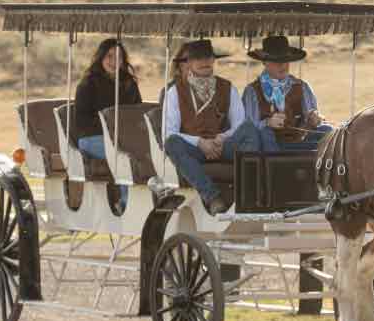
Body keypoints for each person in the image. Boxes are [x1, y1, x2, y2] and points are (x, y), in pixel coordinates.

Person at [162, 39, 263, 215]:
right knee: (172, 143)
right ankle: (212, 197)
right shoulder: (174, 92)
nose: (205, 62)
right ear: (188, 63)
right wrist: (200, 142)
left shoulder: (227, 87)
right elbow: (170, 131)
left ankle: (247, 192)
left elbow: (239, 123)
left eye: (208, 57)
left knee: (249, 129)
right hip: (194, 149)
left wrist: (222, 138)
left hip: (222, 145)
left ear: (213, 60)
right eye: (198, 58)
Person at [74, 38, 142, 212]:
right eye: (109, 56)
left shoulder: (128, 83)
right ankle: (125, 203)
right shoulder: (88, 84)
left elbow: (137, 112)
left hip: (122, 138)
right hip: (90, 139)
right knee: (122, 153)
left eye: (118, 57)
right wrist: (111, 129)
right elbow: (82, 121)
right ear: (101, 58)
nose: (114, 61)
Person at [241, 35, 333, 152]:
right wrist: (268, 122)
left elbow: (312, 117)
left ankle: (319, 167)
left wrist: (314, 119)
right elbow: (249, 128)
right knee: (265, 133)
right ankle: (274, 167)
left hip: (299, 142)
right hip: (268, 147)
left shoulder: (302, 87)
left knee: (327, 130)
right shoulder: (252, 91)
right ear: (265, 62)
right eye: (276, 61)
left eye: (285, 60)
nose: (282, 65)